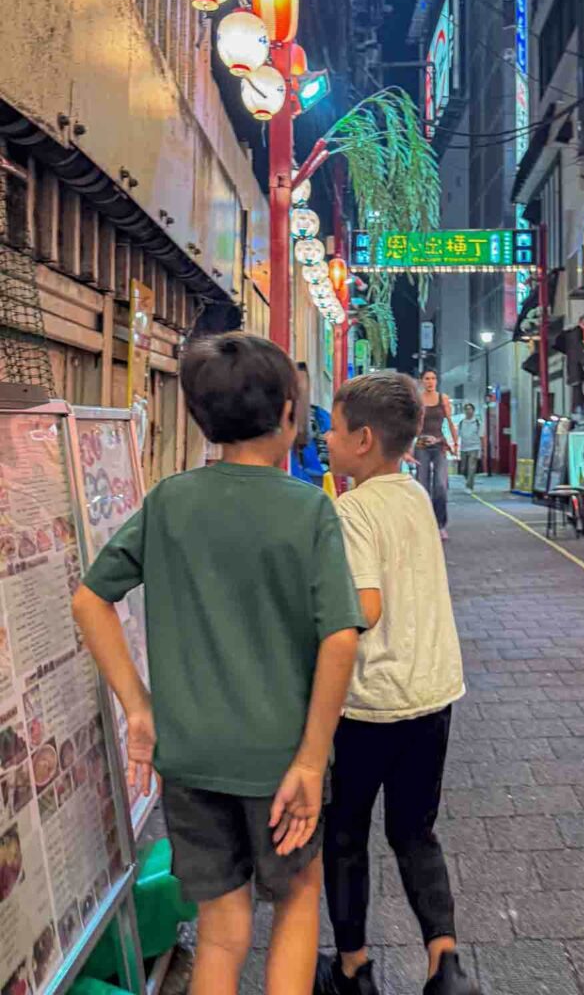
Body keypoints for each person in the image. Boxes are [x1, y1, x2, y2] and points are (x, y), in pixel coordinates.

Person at [72, 333, 366, 995]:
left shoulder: (171, 500)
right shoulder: (308, 508)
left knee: (221, 928)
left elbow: (90, 599)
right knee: (294, 904)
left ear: (203, 418)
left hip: (190, 753)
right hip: (280, 759)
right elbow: (340, 638)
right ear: (290, 413)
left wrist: (140, 707)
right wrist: (313, 760)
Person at [319, 372, 479, 995]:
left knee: (347, 832)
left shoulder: (353, 509)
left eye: (333, 429)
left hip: (370, 705)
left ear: (362, 439)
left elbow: (366, 605)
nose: (325, 439)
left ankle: (354, 968)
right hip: (433, 693)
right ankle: (445, 962)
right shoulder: (412, 493)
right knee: (414, 830)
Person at [415, 370, 459, 540]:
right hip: (422, 445)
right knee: (422, 485)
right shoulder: (418, 400)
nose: (430, 382)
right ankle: (424, 524)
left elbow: (450, 422)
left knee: (440, 485)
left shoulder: (443, 399)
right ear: (422, 381)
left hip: (440, 445)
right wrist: (407, 448)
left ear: (437, 381)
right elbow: (415, 424)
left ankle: (440, 525)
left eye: (433, 378)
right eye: (427, 379)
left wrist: (455, 443)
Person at [458, 403, 483, 491]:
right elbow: (459, 435)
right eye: (466, 409)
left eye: (470, 409)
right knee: (463, 468)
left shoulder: (477, 422)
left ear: (473, 411)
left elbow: (481, 436)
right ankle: (468, 479)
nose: (468, 411)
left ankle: (469, 486)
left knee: (472, 467)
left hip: (474, 447)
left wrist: (481, 449)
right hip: (464, 448)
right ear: (464, 411)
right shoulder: (461, 423)